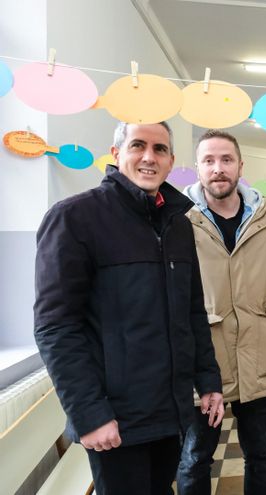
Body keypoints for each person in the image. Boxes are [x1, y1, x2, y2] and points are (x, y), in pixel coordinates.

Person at [33, 122, 224, 495]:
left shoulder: (178, 225)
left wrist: (209, 381)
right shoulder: (75, 217)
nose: (149, 157)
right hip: (114, 421)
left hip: (170, 410)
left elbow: (192, 313)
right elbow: (56, 327)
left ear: (171, 162)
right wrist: (90, 414)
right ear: (117, 153)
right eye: (138, 145)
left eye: (160, 149)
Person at [177, 129, 266, 494]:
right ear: (197, 168)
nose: (218, 168)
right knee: (196, 456)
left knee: (261, 453)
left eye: (226, 159)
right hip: (203, 362)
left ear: (240, 165)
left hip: (258, 354)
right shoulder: (179, 219)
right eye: (209, 160)